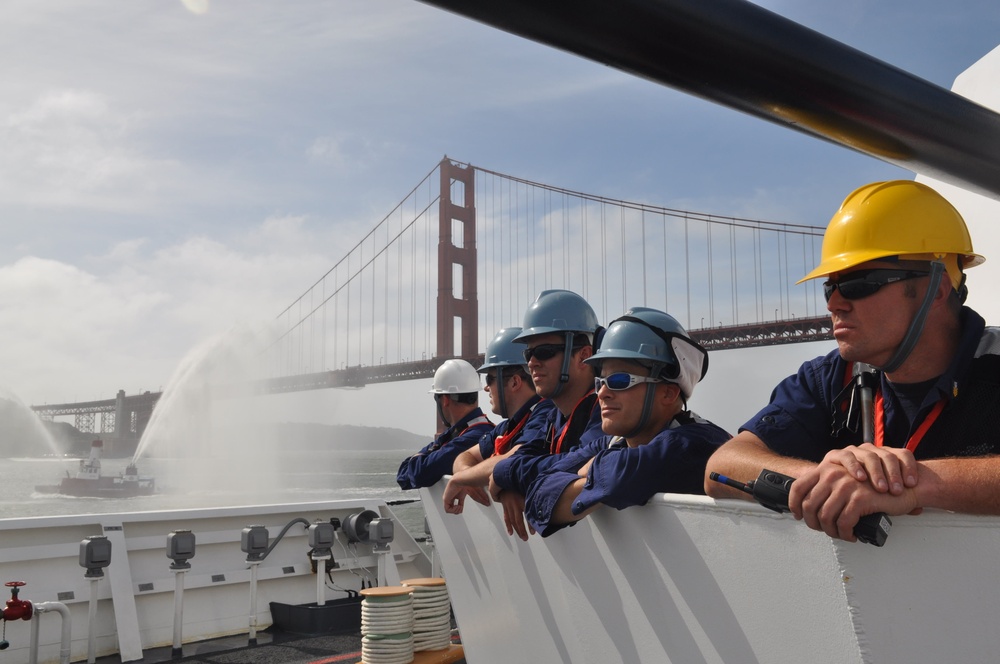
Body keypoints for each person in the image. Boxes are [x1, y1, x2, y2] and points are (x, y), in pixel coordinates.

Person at [704, 179, 1000, 543]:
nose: (834, 304)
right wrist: (825, 478)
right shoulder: (830, 377)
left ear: (936, 290)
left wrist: (913, 483)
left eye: (859, 283)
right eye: (831, 286)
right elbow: (722, 466)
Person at [524, 307, 730, 536]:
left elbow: (621, 473)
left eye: (620, 380)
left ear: (668, 394)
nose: (602, 393)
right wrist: (600, 477)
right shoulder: (616, 442)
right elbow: (537, 491)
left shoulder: (698, 443)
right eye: (600, 382)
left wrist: (591, 469)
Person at [490, 289, 605, 539]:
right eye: (528, 353)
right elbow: (526, 455)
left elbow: (573, 462)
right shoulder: (554, 415)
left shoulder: (606, 411)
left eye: (543, 352)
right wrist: (510, 484)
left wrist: (505, 475)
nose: (532, 363)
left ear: (584, 355)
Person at [441, 327, 555, 514]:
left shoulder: (545, 414)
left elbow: (518, 457)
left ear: (515, 382)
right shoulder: (507, 426)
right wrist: (467, 476)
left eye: (490, 378)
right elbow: (465, 456)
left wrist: (460, 479)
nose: (486, 388)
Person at [396, 359, 494, 490]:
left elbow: (418, 474)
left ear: (445, 400)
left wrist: (418, 458)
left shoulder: (471, 437)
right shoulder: (464, 432)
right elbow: (404, 474)